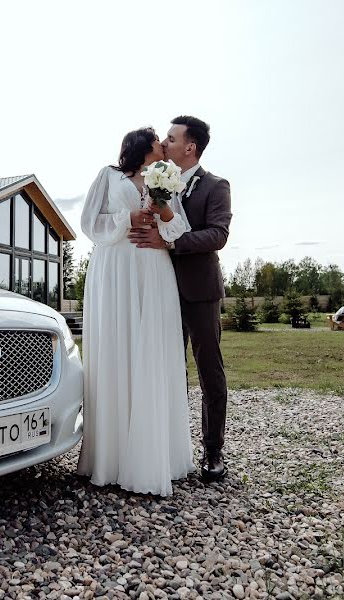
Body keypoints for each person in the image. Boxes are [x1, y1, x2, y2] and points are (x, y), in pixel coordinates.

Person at [77, 127, 195, 496]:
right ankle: (111, 457)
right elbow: (88, 224)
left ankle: (152, 456)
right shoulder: (108, 176)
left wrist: (159, 211)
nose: (163, 143)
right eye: (159, 138)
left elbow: (179, 227)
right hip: (114, 270)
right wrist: (128, 220)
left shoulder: (168, 179)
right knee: (117, 348)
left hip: (152, 270)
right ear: (143, 146)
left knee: (151, 351)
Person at [128, 116, 232, 482]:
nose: (165, 143)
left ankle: (213, 452)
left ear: (190, 146)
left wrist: (171, 242)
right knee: (166, 370)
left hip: (200, 291)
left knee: (209, 370)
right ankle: (169, 451)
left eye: (171, 138)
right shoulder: (154, 180)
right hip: (160, 289)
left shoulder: (216, 186)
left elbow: (217, 235)